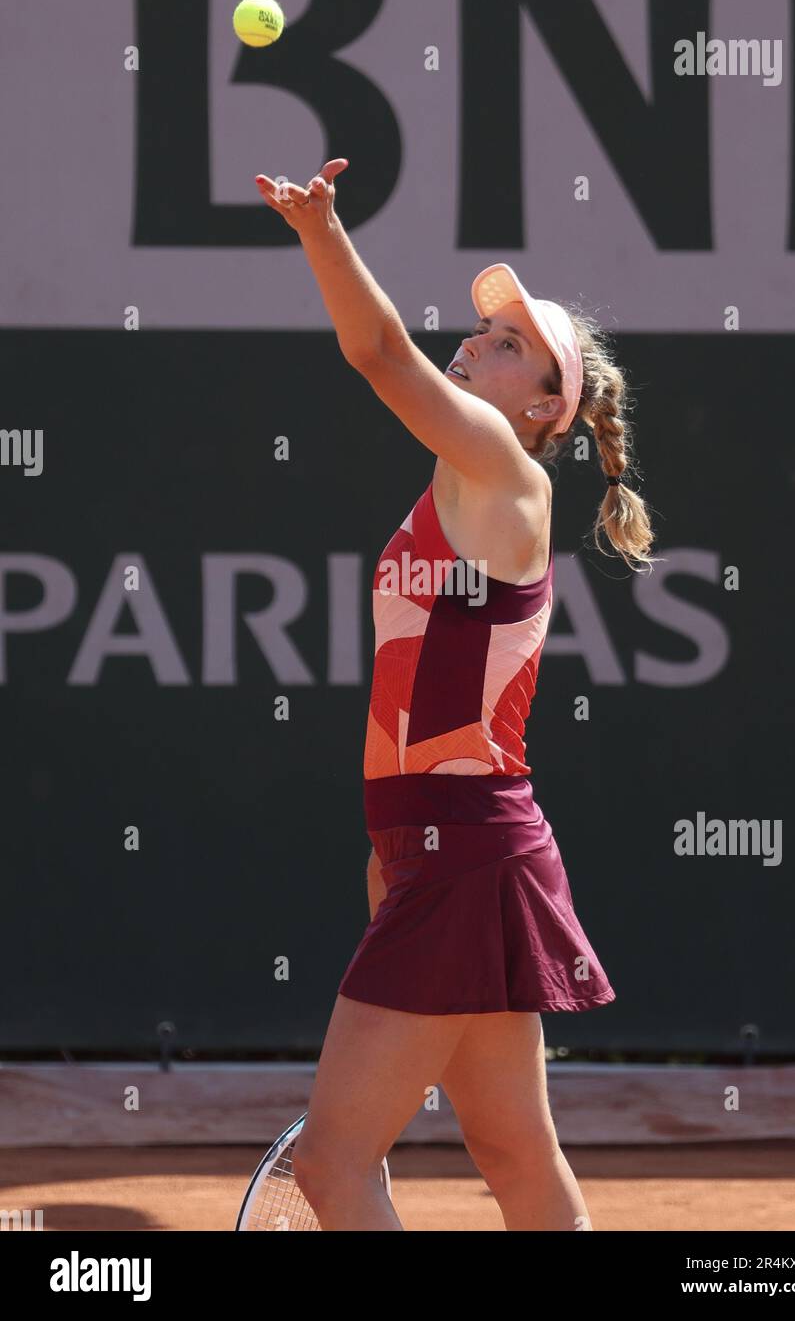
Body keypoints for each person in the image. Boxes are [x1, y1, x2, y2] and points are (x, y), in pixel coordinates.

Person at [254, 159, 655, 1231]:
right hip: (458, 844)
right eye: (488, 330)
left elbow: (377, 351)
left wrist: (321, 230)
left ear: (542, 410)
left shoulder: (498, 466)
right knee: (514, 1151)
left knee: (336, 1167)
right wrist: (393, 844)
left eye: (511, 345)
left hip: (466, 849)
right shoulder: (471, 480)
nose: (479, 341)